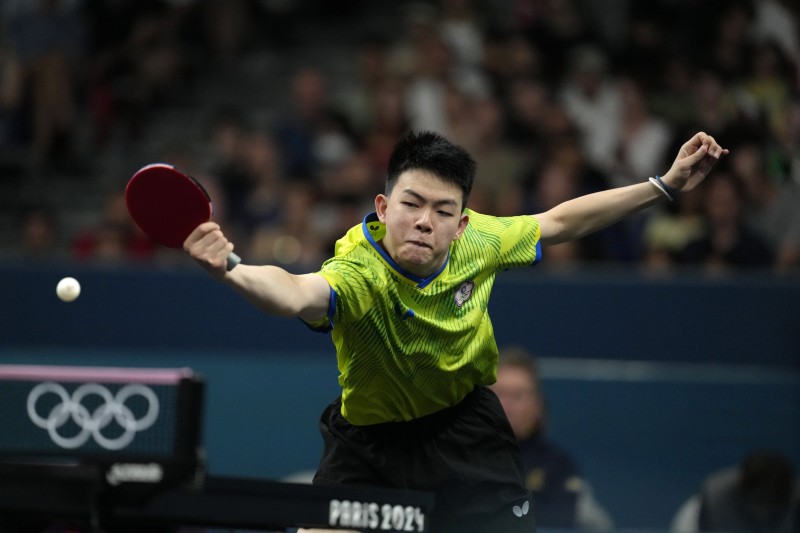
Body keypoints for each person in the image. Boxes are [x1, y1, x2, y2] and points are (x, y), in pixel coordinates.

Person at [184, 129, 728, 532]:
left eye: (443, 211)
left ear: (462, 223)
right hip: (370, 446)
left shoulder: (480, 241)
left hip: (467, 433)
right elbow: (293, 292)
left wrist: (663, 185)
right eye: (412, 204)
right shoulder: (358, 273)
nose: (425, 221)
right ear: (383, 207)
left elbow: (561, 221)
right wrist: (232, 267)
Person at [491, 346, 614, 531]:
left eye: (518, 395)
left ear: (537, 405)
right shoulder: (460, 458)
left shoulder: (558, 467)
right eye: (499, 393)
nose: (507, 404)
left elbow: (595, 524)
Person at [670, 450, 800, 533]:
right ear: (742, 491)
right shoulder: (709, 505)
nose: (765, 509)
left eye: (775, 500)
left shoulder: (796, 503)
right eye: (760, 499)